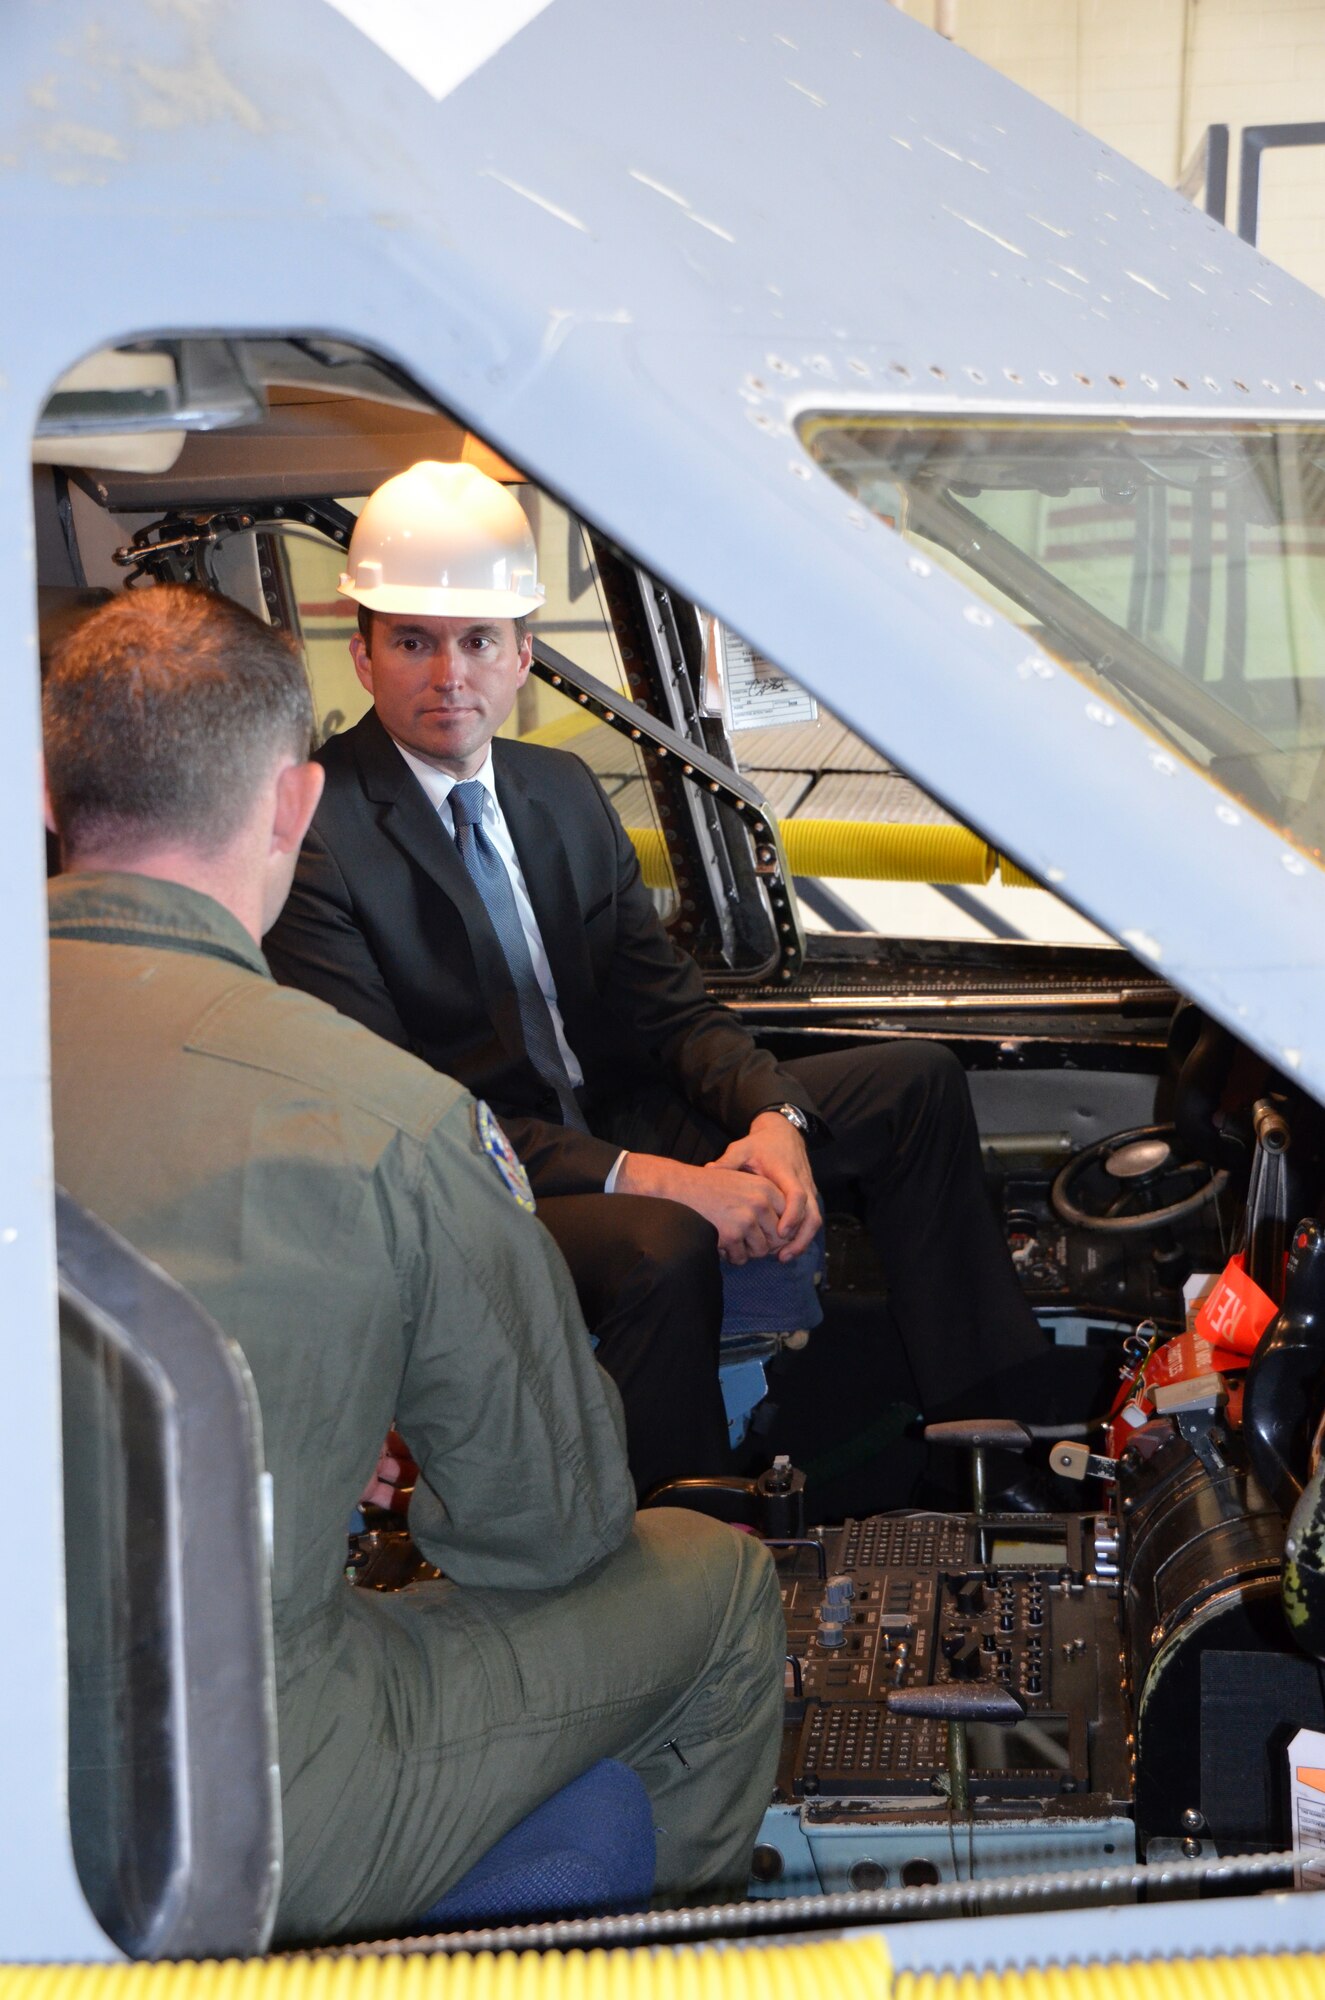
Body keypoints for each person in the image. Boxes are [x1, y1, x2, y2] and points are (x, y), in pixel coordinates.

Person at [43, 586, 784, 1947]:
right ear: (291, 805)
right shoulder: (383, 1113)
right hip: (217, 1814)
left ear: (53, 786)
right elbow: (546, 1532)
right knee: (716, 1583)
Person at [265, 461, 1069, 1497]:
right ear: (364, 654)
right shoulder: (321, 838)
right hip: (476, 1191)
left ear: (521, 655)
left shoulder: (556, 794)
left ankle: (983, 1441)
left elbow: (670, 1007)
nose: (447, 674)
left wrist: (771, 1115)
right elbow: (408, 1120)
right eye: (413, 641)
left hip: (614, 1119)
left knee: (911, 1085)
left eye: (476, 642)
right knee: (660, 1243)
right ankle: (679, 1541)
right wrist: (672, 1180)